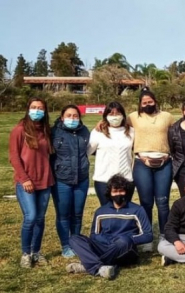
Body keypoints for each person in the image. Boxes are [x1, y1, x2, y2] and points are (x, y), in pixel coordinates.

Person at [66, 175, 153, 279]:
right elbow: (94, 235)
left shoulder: (137, 210)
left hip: (126, 249)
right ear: (110, 193)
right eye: (115, 191)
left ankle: (88, 266)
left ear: (126, 191)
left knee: (123, 241)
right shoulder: (101, 211)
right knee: (74, 239)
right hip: (105, 246)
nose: (118, 194)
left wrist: (128, 239)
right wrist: (108, 240)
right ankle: (99, 267)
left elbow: (148, 235)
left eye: (121, 191)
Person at [9, 97, 55, 268]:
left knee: (40, 218)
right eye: (34, 107)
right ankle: (26, 253)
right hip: (26, 182)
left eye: (40, 108)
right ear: (28, 109)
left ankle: (36, 251)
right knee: (31, 217)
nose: (37, 110)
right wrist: (24, 179)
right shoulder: (19, 130)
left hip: (45, 181)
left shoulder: (46, 130)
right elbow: (14, 157)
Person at [128, 87, 175, 251]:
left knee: (162, 202)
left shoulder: (167, 117)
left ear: (155, 101)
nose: (147, 104)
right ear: (140, 104)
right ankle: (146, 236)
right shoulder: (133, 117)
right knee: (146, 203)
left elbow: (177, 132)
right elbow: (118, 125)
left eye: (150, 101)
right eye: (144, 102)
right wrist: (101, 123)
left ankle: (164, 236)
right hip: (142, 163)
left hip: (164, 162)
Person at [51, 104, 90, 258]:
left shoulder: (84, 131)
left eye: (75, 116)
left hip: (81, 179)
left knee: (77, 214)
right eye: (69, 116)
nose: (72, 119)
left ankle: (75, 242)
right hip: (62, 180)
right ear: (62, 117)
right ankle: (65, 245)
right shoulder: (54, 132)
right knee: (63, 215)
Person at [88, 101, 134, 205]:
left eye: (118, 114)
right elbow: (88, 151)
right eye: (111, 114)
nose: (115, 117)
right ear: (105, 116)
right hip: (103, 180)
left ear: (123, 115)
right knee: (107, 211)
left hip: (126, 179)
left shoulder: (131, 132)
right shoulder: (98, 132)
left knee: (125, 210)